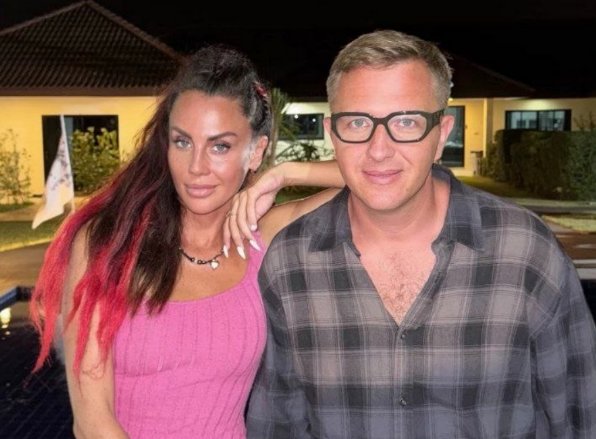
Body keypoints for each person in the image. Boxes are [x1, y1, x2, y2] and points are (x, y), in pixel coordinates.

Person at [246, 29, 596, 438]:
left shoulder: (526, 253)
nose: (379, 149)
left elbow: (580, 415)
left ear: (441, 134)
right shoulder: (291, 264)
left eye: (406, 122)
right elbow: (277, 425)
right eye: (357, 122)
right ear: (332, 133)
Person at [30, 44, 343, 439]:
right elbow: (93, 423)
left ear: (255, 152)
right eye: (182, 142)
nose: (196, 167)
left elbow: (384, 176)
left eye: (220, 146)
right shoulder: (108, 243)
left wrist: (284, 173)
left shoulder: (260, 237)